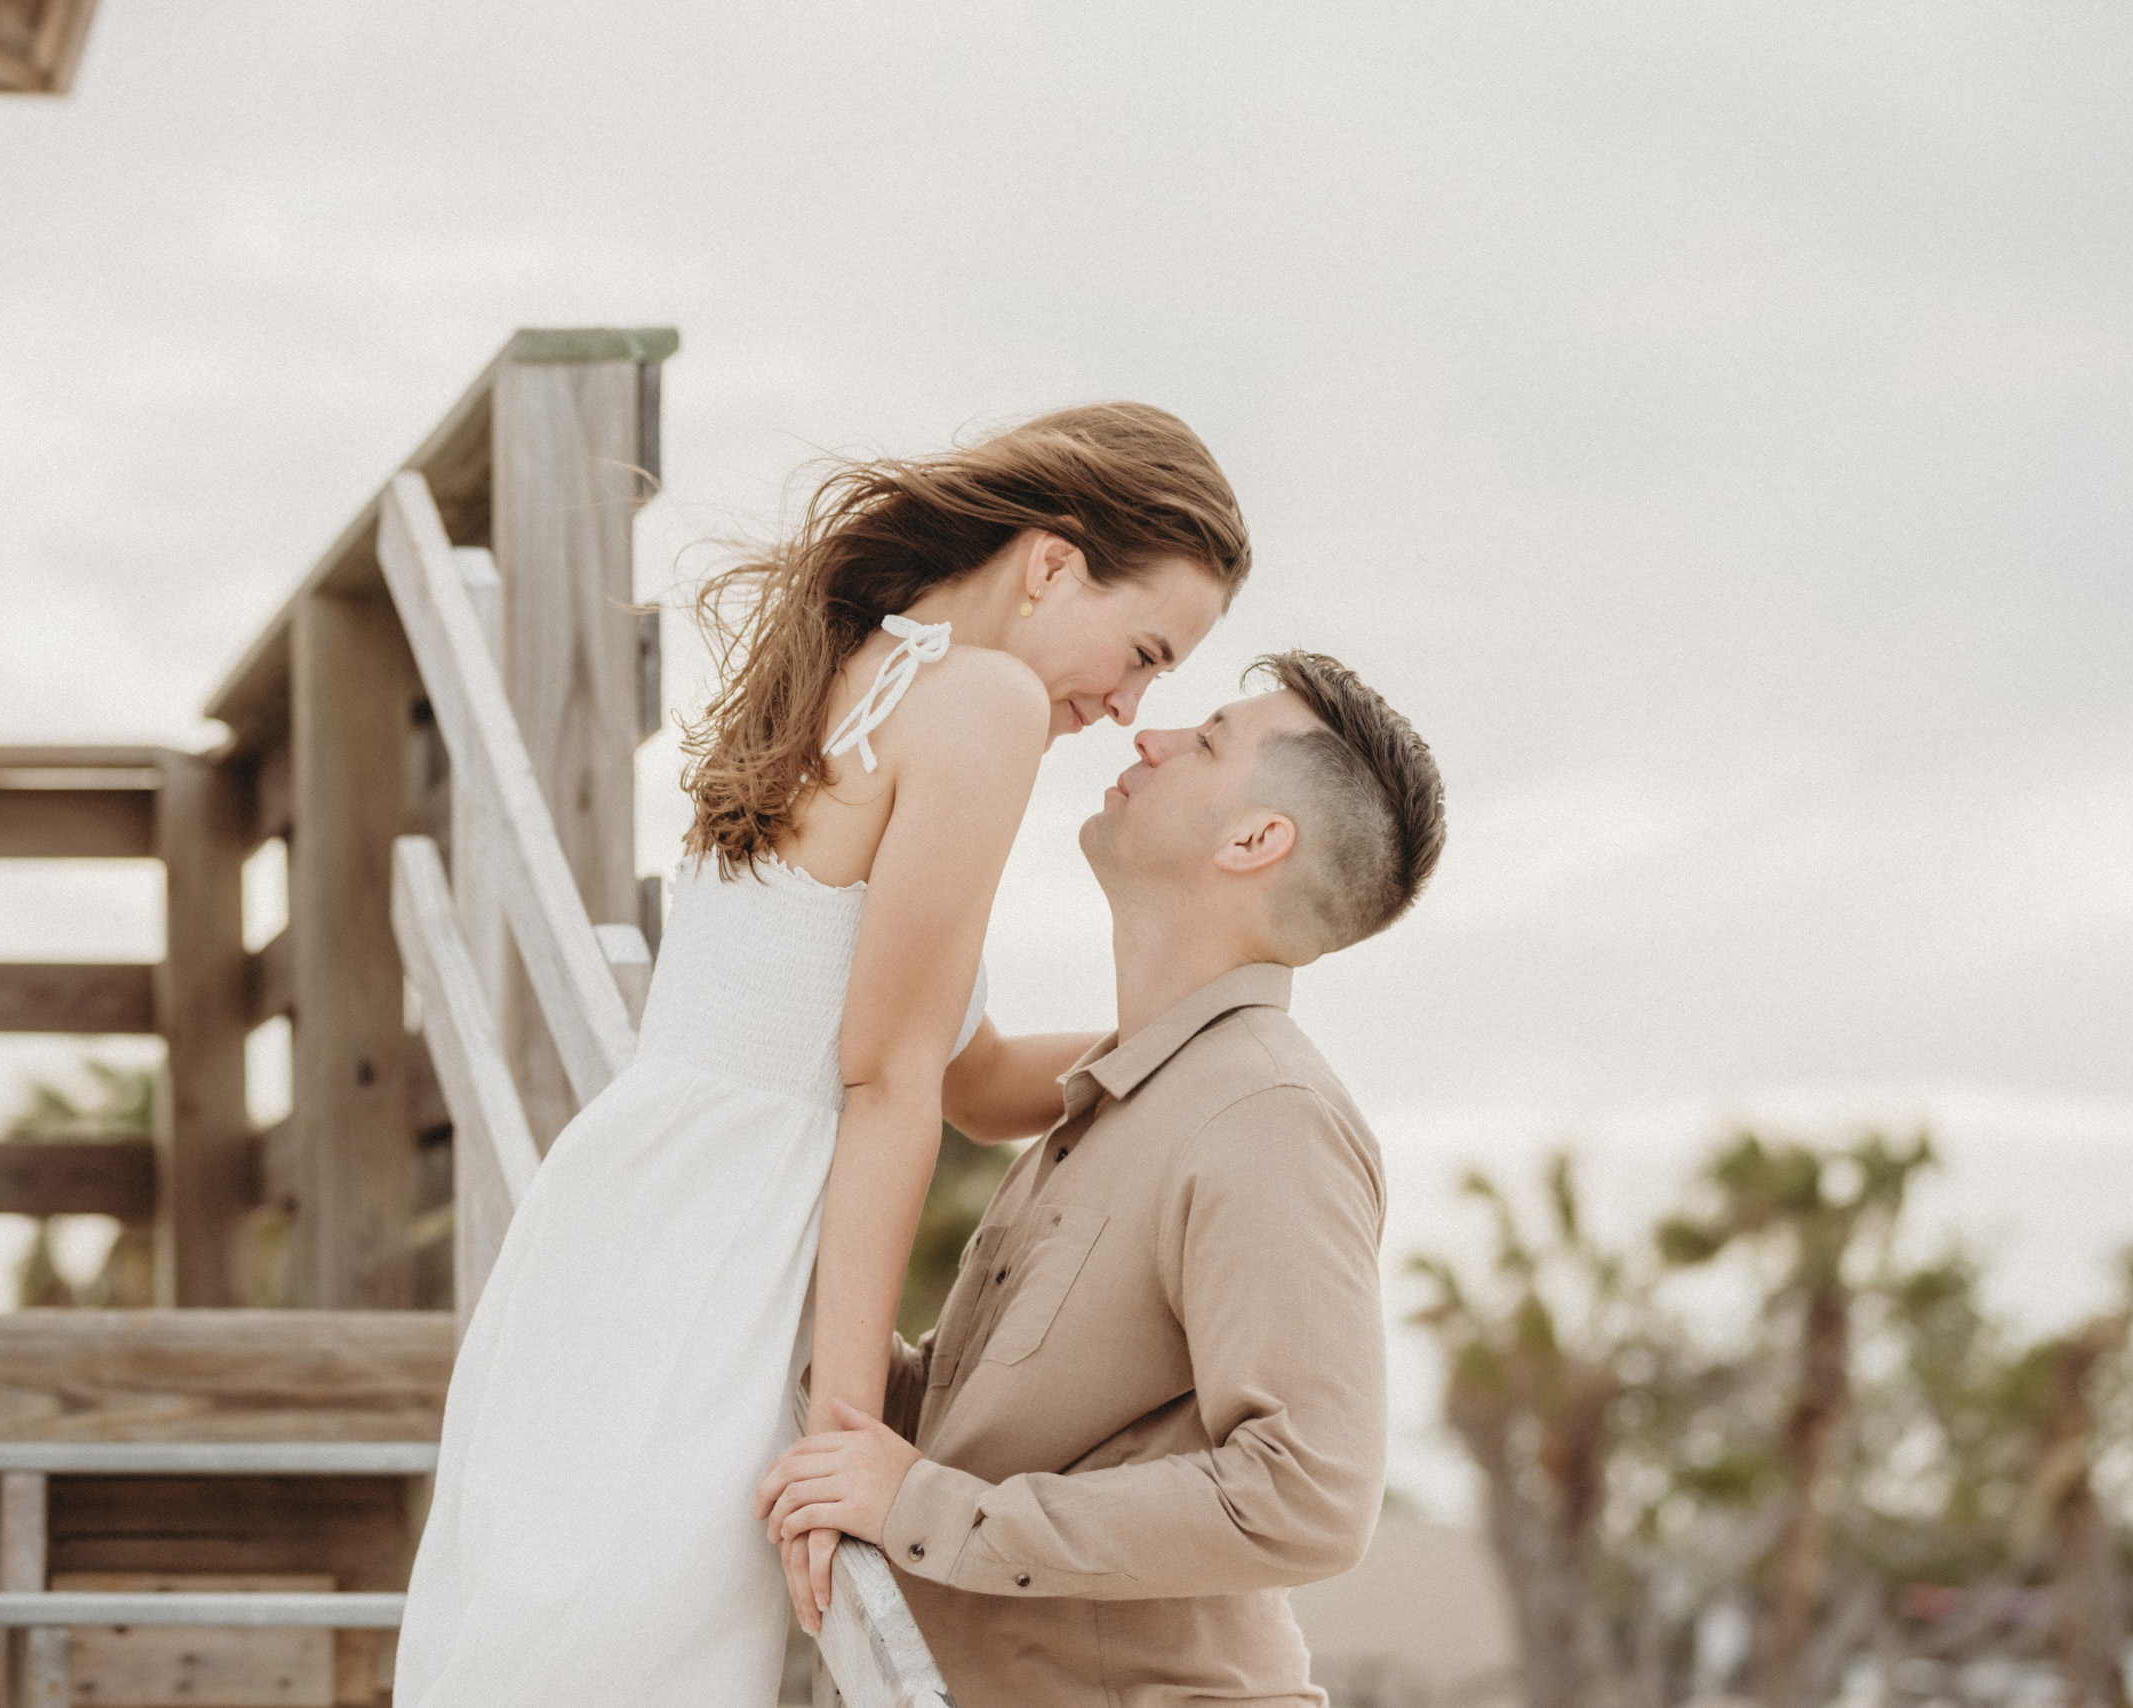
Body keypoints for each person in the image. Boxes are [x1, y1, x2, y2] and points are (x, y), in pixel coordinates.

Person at [394, 404, 1251, 1705]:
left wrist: (1214, 1034)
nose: (1130, 704)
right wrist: (847, 1448)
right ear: (1052, 561)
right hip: (709, 1273)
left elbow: (975, 1077)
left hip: (629, 1228)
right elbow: (885, 1082)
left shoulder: (862, 667)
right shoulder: (985, 701)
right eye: (1142, 651)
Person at [757, 650, 1446, 1707]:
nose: (1148, 736)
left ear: (1255, 840)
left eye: (1206, 738)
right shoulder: (1118, 1102)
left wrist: (931, 1513)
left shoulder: (1267, 1114)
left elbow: (1308, 1494)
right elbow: (960, 1428)